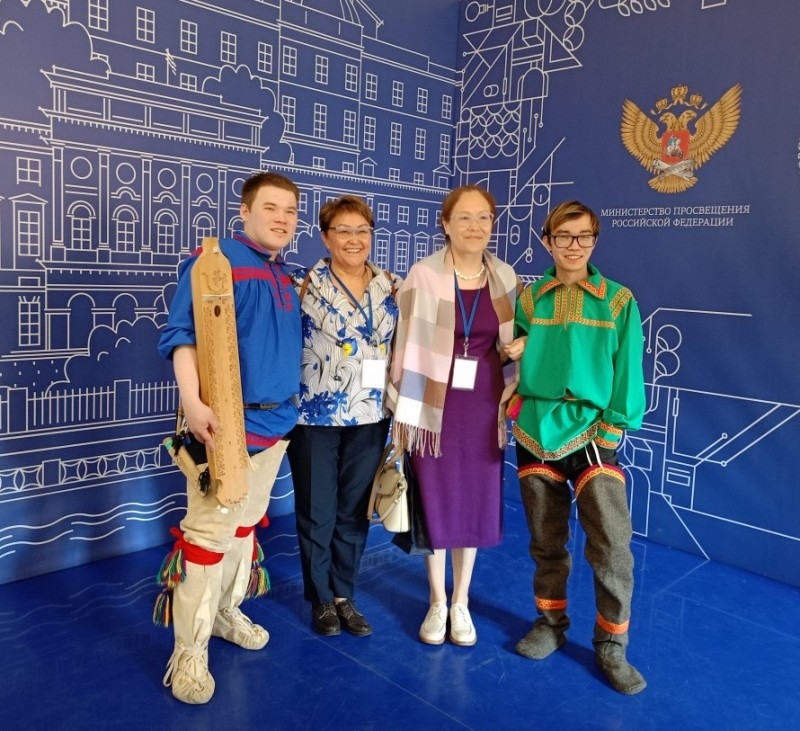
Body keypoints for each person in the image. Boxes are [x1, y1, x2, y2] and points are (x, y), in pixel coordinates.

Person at [155, 171, 302, 704]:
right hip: (225, 428)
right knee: (207, 539)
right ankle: (189, 653)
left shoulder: (286, 275)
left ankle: (223, 612)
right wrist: (193, 402)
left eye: (290, 210)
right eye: (270, 208)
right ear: (245, 211)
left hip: (276, 427)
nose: (282, 218)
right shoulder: (213, 262)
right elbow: (183, 336)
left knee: (243, 528)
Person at [511, 200, 647, 695]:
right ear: (546, 241)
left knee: (612, 547)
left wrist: (614, 428)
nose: (574, 246)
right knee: (546, 542)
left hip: (593, 433)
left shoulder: (618, 300)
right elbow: (516, 353)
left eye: (584, 236)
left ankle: (612, 644)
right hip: (535, 430)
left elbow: (629, 369)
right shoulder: (530, 298)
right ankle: (550, 624)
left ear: (595, 240)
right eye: (564, 236)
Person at [387, 185, 524, 646]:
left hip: (484, 403)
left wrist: (520, 348)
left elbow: (516, 340)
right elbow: (403, 342)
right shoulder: (423, 274)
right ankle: (436, 600)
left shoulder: (505, 276)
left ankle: (461, 601)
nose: (474, 226)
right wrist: (402, 407)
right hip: (433, 405)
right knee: (436, 497)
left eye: (484, 217)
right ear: (445, 224)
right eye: (464, 217)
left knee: (474, 499)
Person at [287, 195, 401, 637]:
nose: (354, 240)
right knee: (318, 510)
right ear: (325, 237)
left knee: (354, 510)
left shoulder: (391, 286)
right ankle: (320, 598)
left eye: (362, 231)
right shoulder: (301, 284)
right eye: (343, 231)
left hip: (370, 414)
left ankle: (343, 595)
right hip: (314, 415)